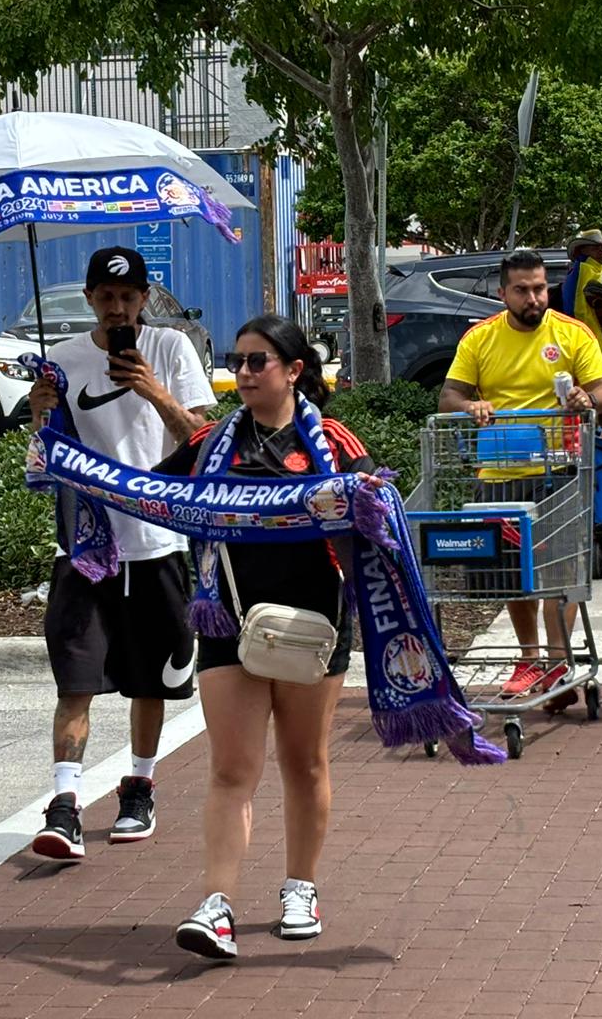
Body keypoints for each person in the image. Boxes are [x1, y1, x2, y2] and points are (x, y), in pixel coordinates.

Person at [159, 316, 376, 959]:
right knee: (231, 769)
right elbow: (143, 490)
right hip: (226, 618)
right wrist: (53, 438)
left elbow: (373, 525)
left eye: (258, 362)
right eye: (239, 361)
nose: (245, 373)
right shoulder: (209, 443)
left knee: (304, 762)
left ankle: (300, 888)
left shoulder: (332, 441)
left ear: (293, 370)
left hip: (314, 623)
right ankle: (217, 905)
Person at [29, 246, 215, 862]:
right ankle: (64, 804)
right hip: (84, 547)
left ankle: (139, 786)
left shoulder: (171, 350)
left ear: (144, 299)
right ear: (89, 299)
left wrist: (153, 389)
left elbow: (202, 440)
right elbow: (40, 462)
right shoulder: (61, 361)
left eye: (128, 297)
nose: (117, 308)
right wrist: (41, 418)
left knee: (150, 680)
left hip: (157, 543)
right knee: (75, 679)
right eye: (105, 298)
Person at [440, 248, 602, 696]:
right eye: (522, 290)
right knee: (511, 571)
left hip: (560, 468)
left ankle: (558, 659)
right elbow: (449, 397)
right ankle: (529, 658)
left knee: (560, 566)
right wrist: (470, 405)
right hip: (499, 472)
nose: (533, 298)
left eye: (539, 288)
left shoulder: (572, 334)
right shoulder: (479, 339)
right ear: (503, 294)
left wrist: (586, 400)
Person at [559, 230, 602, 375]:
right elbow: (581, 311)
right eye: (596, 248)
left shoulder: (588, 268)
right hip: (585, 335)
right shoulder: (586, 270)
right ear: (582, 250)